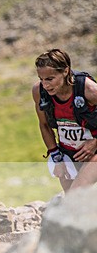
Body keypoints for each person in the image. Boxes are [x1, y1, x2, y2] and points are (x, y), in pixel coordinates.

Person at [33, 48, 97, 192]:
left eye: (50, 79)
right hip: (68, 152)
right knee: (71, 203)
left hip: (94, 150)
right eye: (41, 79)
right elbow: (44, 125)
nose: (45, 85)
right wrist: (56, 157)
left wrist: (94, 142)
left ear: (66, 71)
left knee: (76, 193)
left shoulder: (89, 90)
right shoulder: (39, 92)